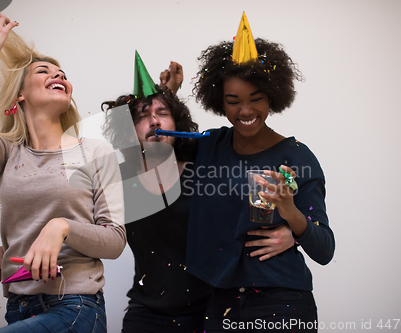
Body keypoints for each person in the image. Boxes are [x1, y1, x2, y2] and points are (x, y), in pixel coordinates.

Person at [101, 52, 296, 333]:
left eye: (162, 115)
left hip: (214, 309)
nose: (154, 122)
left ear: (178, 125)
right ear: (130, 132)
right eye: (143, 117)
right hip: (147, 312)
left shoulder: (203, 164)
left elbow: (264, 188)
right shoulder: (119, 179)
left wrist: (294, 233)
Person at [0, 14, 125, 333]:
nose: (58, 74)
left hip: (75, 307)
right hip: (17, 307)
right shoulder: (8, 155)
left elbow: (115, 241)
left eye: (61, 73)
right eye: (43, 71)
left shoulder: (93, 151)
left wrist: (62, 227)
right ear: (20, 95)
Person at [186, 13, 336, 332]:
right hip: (218, 304)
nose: (245, 111)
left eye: (256, 99)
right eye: (233, 101)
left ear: (272, 96)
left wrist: (292, 217)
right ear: (218, 102)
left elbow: (325, 249)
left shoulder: (296, 156)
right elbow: (149, 150)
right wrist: (164, 96)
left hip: (281, 302)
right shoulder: (209, 145)